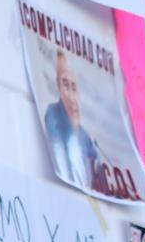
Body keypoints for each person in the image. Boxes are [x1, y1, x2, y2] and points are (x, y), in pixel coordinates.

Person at [40, 50, 105, 193]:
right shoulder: (52, 115)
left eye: (74, 88)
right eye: (65, 85)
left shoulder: (86, 137)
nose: (70, 96)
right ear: (58, 87)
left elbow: (99, 177)